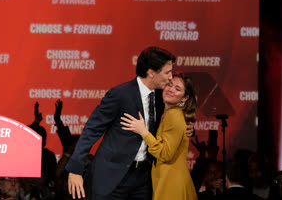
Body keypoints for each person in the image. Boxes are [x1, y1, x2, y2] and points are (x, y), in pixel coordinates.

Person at [65, 47, 176, 200]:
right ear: (151, 72)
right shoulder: (120, 94)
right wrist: (76, 169)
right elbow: (91, 130)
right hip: (111, 178)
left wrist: (186, 127)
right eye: (167, 72)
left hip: (143, 178)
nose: (171, 77)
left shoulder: (159, 96)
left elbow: (179, 106)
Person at [120, 72, 198, 200]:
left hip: (171, 183)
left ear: (184, 98)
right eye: (170, 85)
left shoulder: (174, 115)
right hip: (159, 178)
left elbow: (165, 154)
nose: (171, 90)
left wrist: (143, 132)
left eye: (177, 89)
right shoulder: (162, 107)